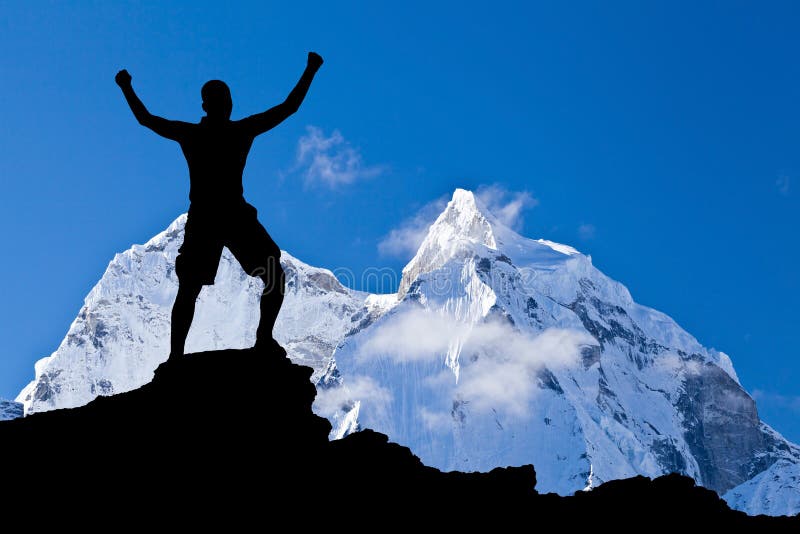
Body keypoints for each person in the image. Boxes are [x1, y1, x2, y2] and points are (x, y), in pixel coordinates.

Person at [115, 52, 324, 360]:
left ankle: (256, 340)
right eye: (222, 99)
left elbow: (148, 120)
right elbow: (288, 108)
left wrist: (126, 87)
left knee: (258, 277)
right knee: (197, 287)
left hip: (218, 216)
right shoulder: (234, 131)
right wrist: (310, 69)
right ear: (210, 104)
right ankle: (188, 355)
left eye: (226, 98)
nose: (226, 104)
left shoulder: (200, 133)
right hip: (220, 216)